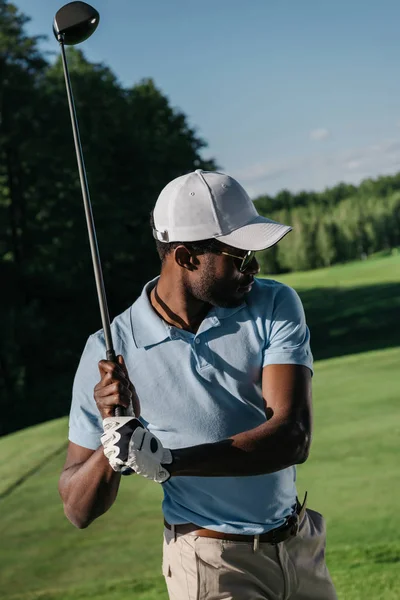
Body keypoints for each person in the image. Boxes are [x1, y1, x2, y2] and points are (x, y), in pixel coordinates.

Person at [59, 170, 338, 600]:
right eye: (241, 256)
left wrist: (167, 461)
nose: (255, 267)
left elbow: (292, 437)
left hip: (298, 546)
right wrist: (112, 445)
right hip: (209, 565)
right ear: (187, 256)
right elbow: (78, 510)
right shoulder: (108, 351)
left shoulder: (274, 302)